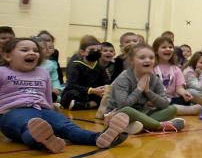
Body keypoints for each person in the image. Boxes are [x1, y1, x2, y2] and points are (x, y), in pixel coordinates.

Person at [0, 38, 129, 151]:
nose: (32, 52)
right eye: (24, 50)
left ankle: (99, 138)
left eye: (35, 50)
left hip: (43, 110)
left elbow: (46, 96)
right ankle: (44, 140)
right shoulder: (3, 72)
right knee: (28, 128)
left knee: (68, 127)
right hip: (13, 112)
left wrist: (52, 110)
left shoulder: (42, 72)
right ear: (7, 56)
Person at [105, 44, 185, 134]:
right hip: (119, 113)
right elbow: (123, 105)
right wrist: (139, 89)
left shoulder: (155, 79)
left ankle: (138, 126)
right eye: (142, 58)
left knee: (172, 109)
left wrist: (148, 92)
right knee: (127, 110)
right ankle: (160, 126)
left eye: (151, 58)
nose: (147, 60)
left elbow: (165, 103)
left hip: (142, 114)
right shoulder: (124, 78)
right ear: (132, 61)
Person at [153, 36, 202, 116]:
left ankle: (171, 109)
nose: (168, 49)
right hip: (155, 99)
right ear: (155, 51)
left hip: (170, 99)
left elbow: (179, 88)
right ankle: (186, 110)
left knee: (185, 100)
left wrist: (184, 93)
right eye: (164, 47)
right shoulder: (151, 67)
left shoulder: (176, 69)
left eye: (170, 47)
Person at [60, 36, 109, 110]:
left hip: (93, 94)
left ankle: (82, 105)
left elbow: (105, 81)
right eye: (92, 49)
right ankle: (89, 105)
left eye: (98, 50)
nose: (95, 52)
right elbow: (71, 84)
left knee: (106, 95)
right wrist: (91, 90)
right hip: (79, 92)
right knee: (72, 94)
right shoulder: (76, 65)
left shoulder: (99, 66)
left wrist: (103, 89)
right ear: (82, 52)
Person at [35, 30, 63, 100]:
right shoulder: (29, 62)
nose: (46, 43)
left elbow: (55, 79)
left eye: (48, 40)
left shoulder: (51, 64)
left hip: (49, 91)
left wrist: (57, 88)